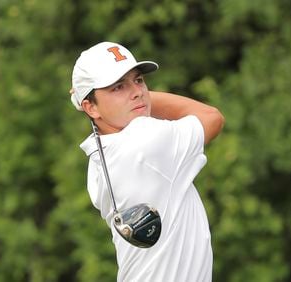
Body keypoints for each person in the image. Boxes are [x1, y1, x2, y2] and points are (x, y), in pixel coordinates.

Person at [70, 41, 224, 282]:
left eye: (139, 80)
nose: (138, 91)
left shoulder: (98, 156)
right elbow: (212, 118)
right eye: (118, 86)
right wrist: (136, 99)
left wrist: (91, 100)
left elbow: (114, 109)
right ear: (90, 108)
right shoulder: (145, 139)